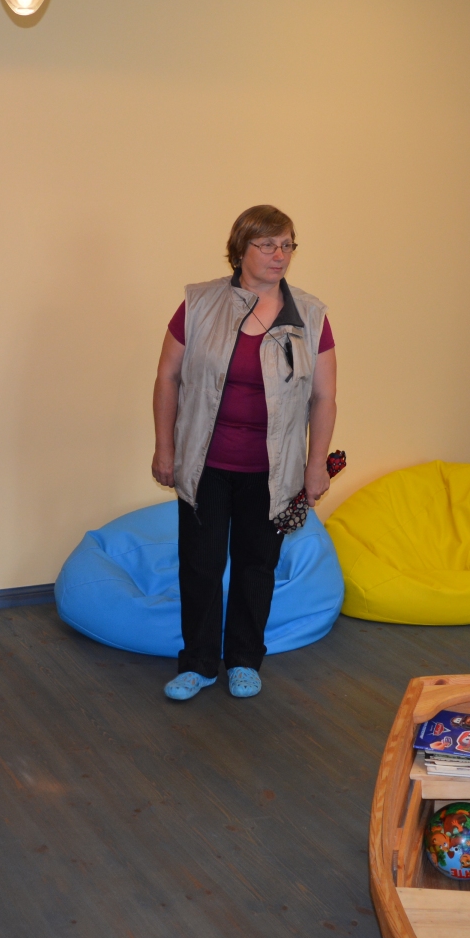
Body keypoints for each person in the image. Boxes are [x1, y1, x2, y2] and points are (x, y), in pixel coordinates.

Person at [150, 205, 337, 702]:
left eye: (288, 245)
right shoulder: (199, 303)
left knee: (257, 568)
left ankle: (243, 661)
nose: (280, 255)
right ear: (240, 249)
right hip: (206, 464)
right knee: (201, 566)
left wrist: (315, 464)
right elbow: (168, 377)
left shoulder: (311, 315)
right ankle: (198, 664)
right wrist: (165, 447)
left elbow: (324, 397)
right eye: (268, 245)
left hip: (274, 471)